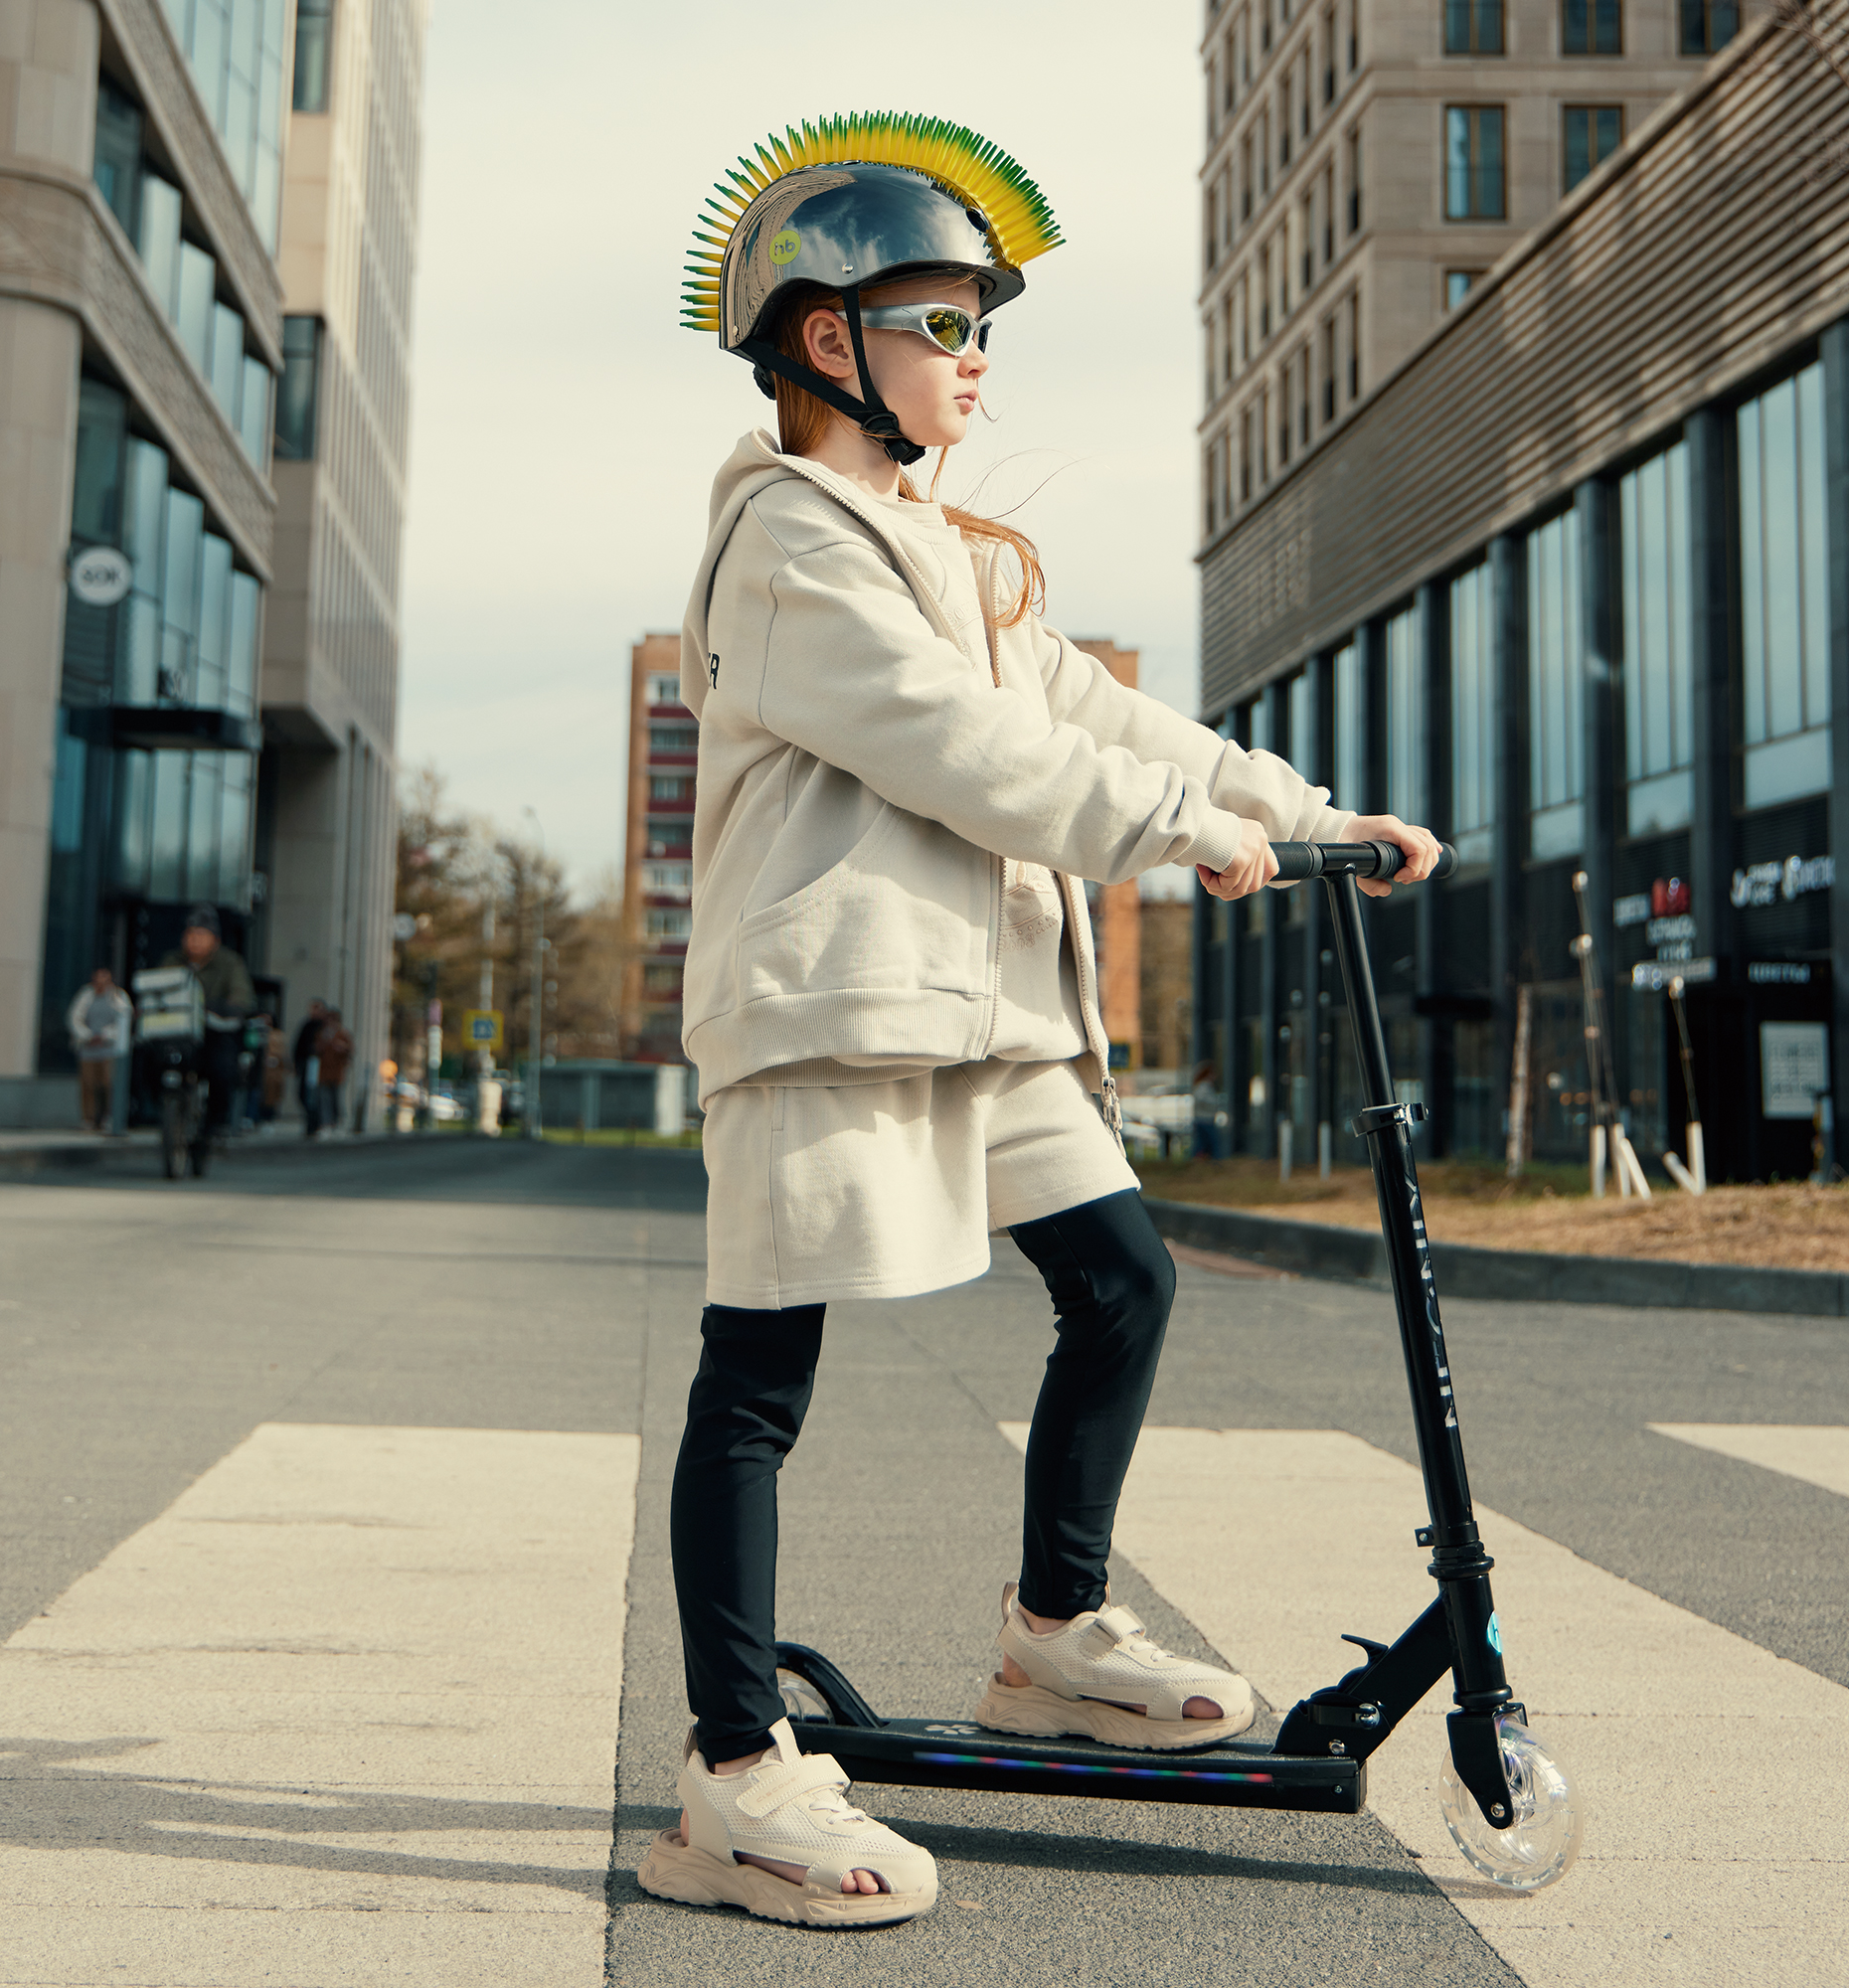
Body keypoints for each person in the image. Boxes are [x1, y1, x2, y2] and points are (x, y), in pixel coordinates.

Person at [636, 116, 1438, 1930]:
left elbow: (1091, 710)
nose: (976, 357)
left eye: (986, 324)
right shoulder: (787, 547)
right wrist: (1181, 844)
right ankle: (732, 1775)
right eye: (941, 321)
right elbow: (959, 743)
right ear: (827, 344)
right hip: (833, 1007)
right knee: (759, 1384)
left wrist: (1298, 813)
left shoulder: (961, 551)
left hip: (989, 1008)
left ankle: (1053, 1634)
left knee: (1126, 1281)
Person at [161, 907, 255, 1159]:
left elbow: (241, 997)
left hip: (214, 1032)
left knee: (224, 1071)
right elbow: (158, 988)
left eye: (202, 934)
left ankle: (212, 1126)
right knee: (152, 1059)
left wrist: (224, 1008)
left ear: (215, 939)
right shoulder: (173, 961)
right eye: (190, 934)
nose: (195, 940)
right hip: (179, 1033)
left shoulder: (230, 963)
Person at [66, 967, 131, 1132]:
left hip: (108, 1049)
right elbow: (74, 1017)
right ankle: (88, 1119)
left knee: (108, 1083)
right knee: (88, 1084)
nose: (101, 982)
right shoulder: (86, 995)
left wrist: (105, 1035)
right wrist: (87, 1036)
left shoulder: (118, 996)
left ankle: (108, 1117)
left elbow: (124, 1019)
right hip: (88, 1048)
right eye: (98, 978)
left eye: (105, 978)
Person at [312, 1007, 354, 1134]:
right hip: (323, 1072)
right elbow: (316, 1049)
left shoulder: (343, 1034)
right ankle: (326, 1124)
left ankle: (335, 1123)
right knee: (324, 1099)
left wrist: (343, 1048)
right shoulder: (322, 1034)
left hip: (337, 1072)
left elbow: (349, 1053)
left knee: (335, 1099)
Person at [291, 997, 328, 1137]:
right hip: (306, 1063)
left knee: (313, 1095)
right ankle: (310, 1122)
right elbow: (299, 1045)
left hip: (316, 1065)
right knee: (304, 1094)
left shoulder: (323, 1027)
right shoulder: (307, 1025)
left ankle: (314, 1124)